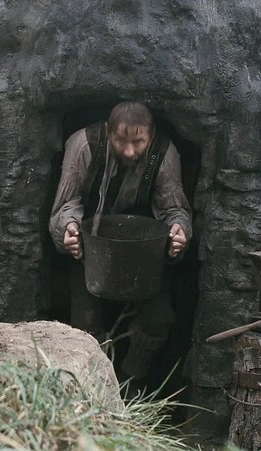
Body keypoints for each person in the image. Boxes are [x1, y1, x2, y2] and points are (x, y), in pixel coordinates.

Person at [49, 101, 192, 382]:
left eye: (138, 142)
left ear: (151, 135)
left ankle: (130, 379)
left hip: (142, 252)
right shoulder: (84, 144)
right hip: (90, 251)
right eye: (121, 140)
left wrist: (179, 232)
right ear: (108, 130)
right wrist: (69, 229)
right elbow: (67, 202)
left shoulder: (164, 152)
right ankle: (93, 387)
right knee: (86, 328)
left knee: (158, 318)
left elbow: (174, 209)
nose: (129, 151)